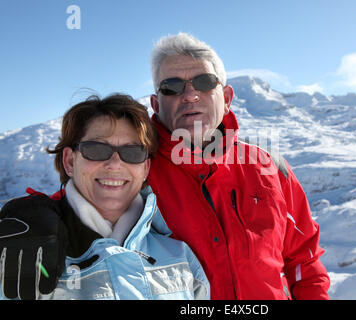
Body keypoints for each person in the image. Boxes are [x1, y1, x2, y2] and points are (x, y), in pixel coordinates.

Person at [1, 33, 330, 300]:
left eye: (203, 82)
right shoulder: (138, 163)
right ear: (156, 103)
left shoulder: (269, 167)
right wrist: (34, 213)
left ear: (226, 96)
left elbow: (304, 261)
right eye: (172, 86)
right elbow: (86, 196)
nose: (190, 95)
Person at [0, 94, 209, 300]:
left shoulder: (180, 257)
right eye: (97, 149)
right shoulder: (21, 254)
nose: (115, 163)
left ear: (145, 168)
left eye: (133, 152)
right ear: (70, 162)